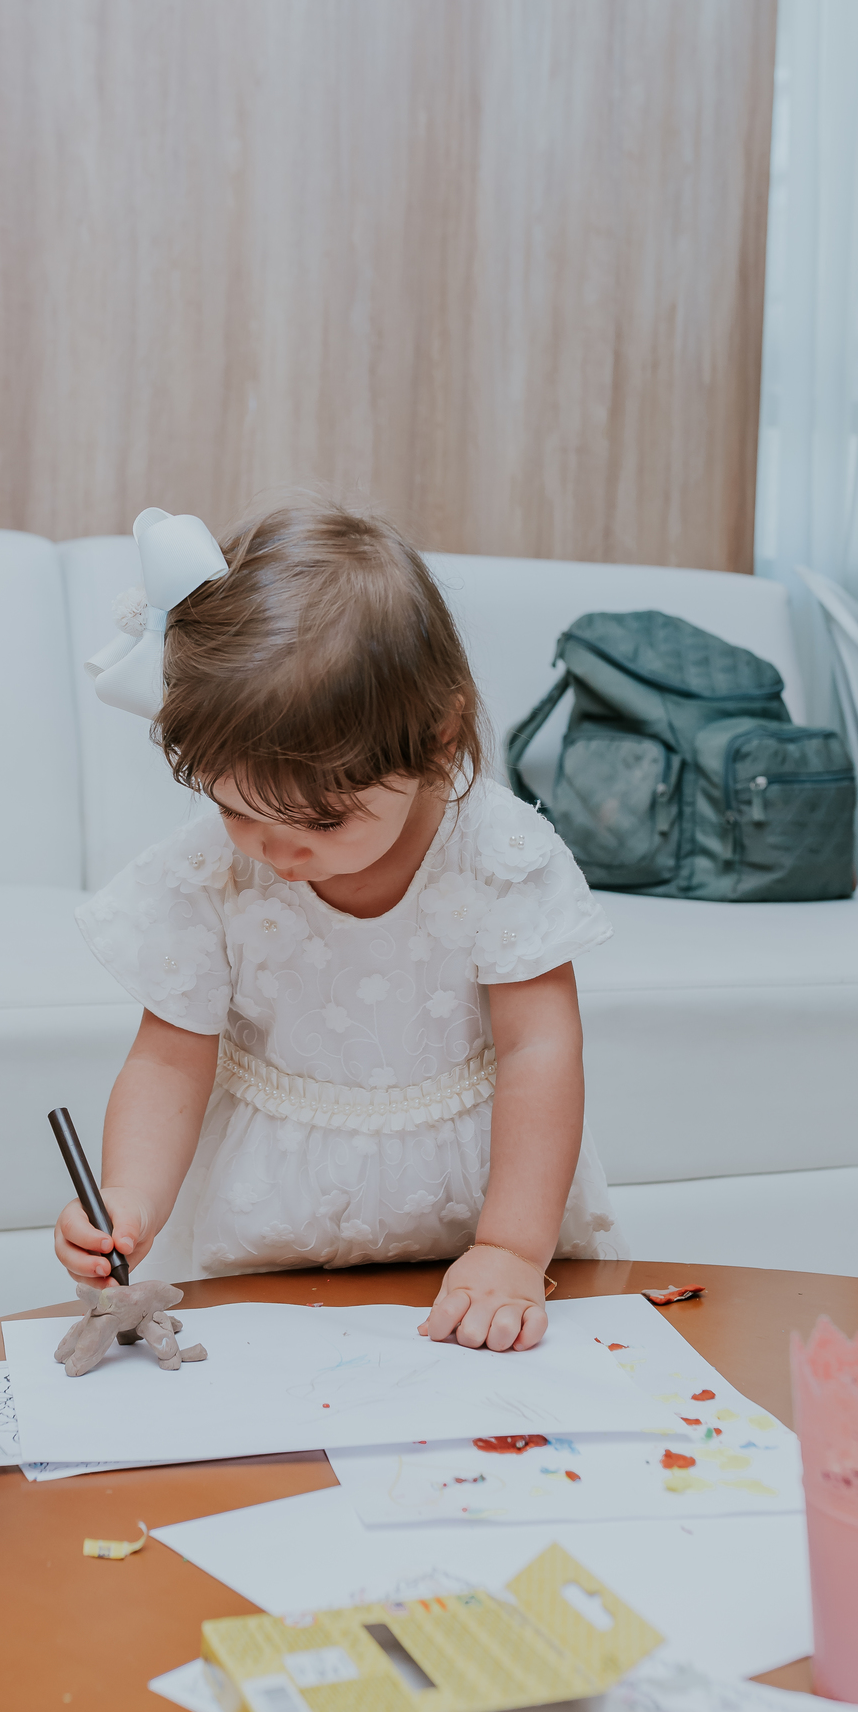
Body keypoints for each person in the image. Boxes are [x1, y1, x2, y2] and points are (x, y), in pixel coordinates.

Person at [56, 505, 626, 1351]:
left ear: (437, 739)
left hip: (476, 1232)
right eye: (236, 810)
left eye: (321, 822)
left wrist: (510, 1247)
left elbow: (541, 1053)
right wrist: (127, 1200)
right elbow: (169, 1059)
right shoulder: (214, 869)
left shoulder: (497, 858)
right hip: (267, 1232)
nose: (277, 853)